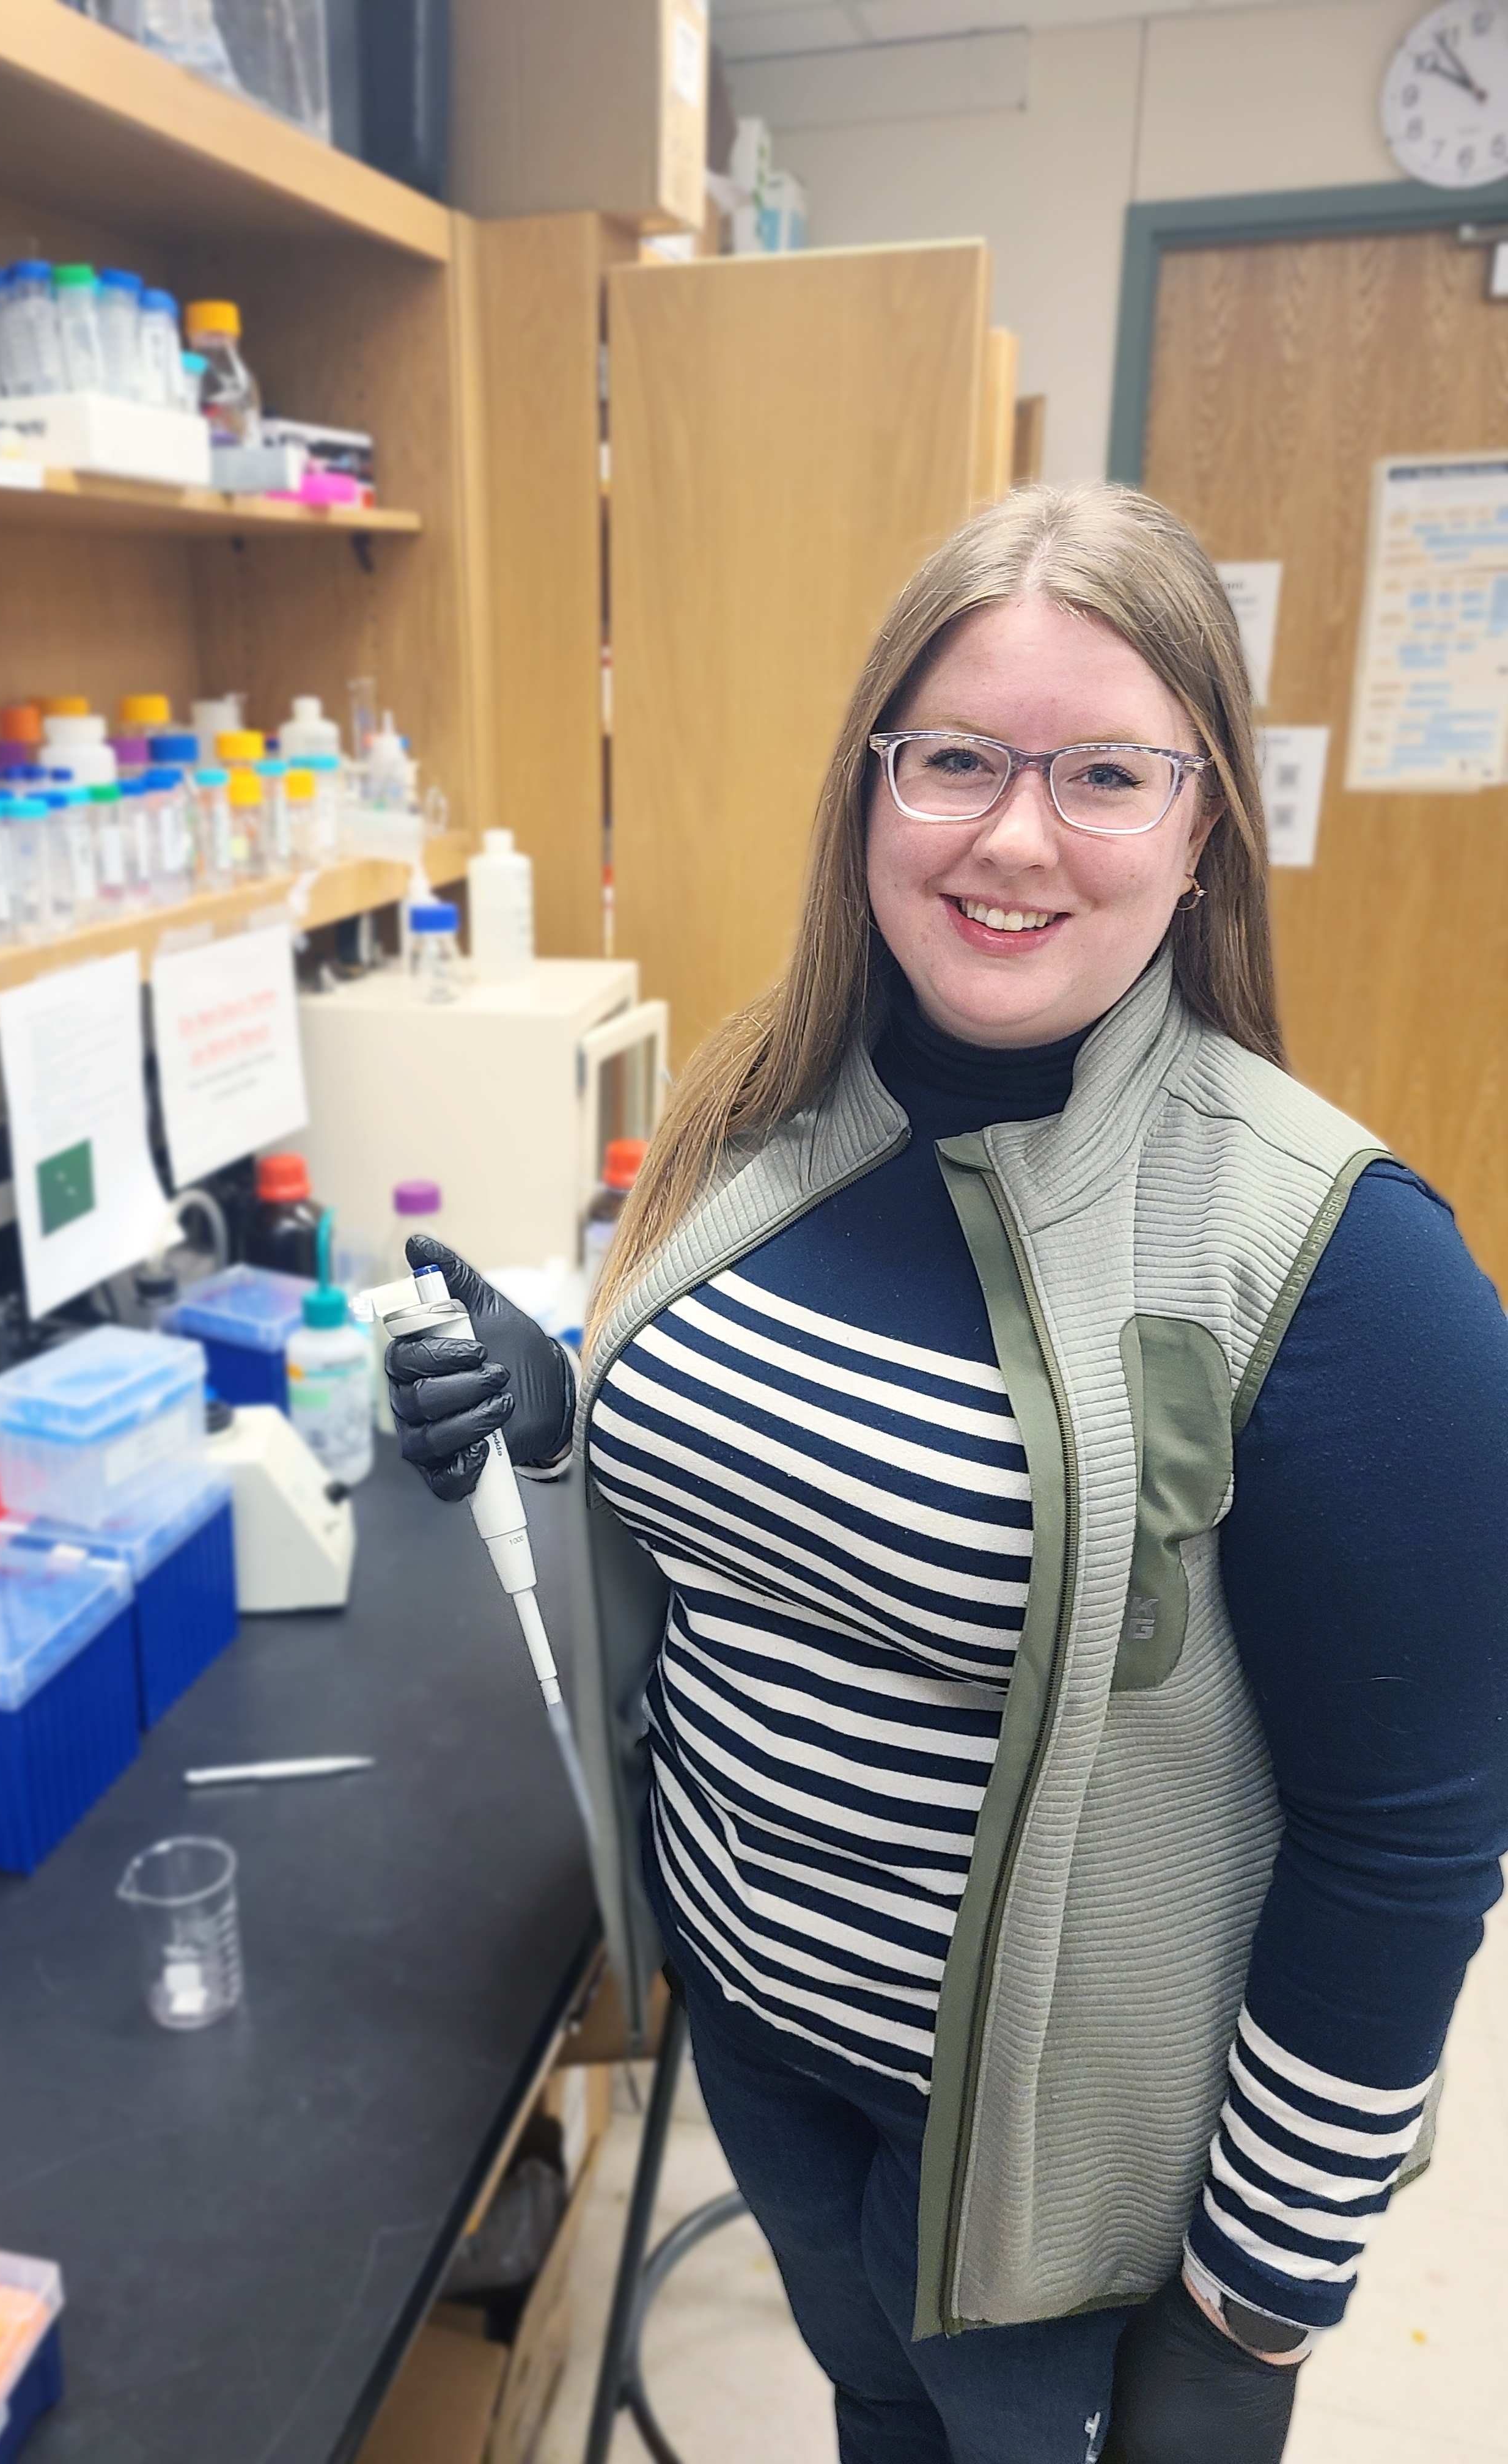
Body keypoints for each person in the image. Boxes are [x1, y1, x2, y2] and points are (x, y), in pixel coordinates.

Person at [385, 484, 1508, 2463]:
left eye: (1102, 773)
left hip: (1068, 2193)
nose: (1010, 834)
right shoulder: (762, 1104)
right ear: (871, 791)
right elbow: (795, 1500)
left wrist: (1256, 2300)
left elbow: (1408, 1847)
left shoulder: (1341, 1261)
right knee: (873, 2423)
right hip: (763, 2042)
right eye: (958, 760)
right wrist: (567, 1413)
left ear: (1202, 827)